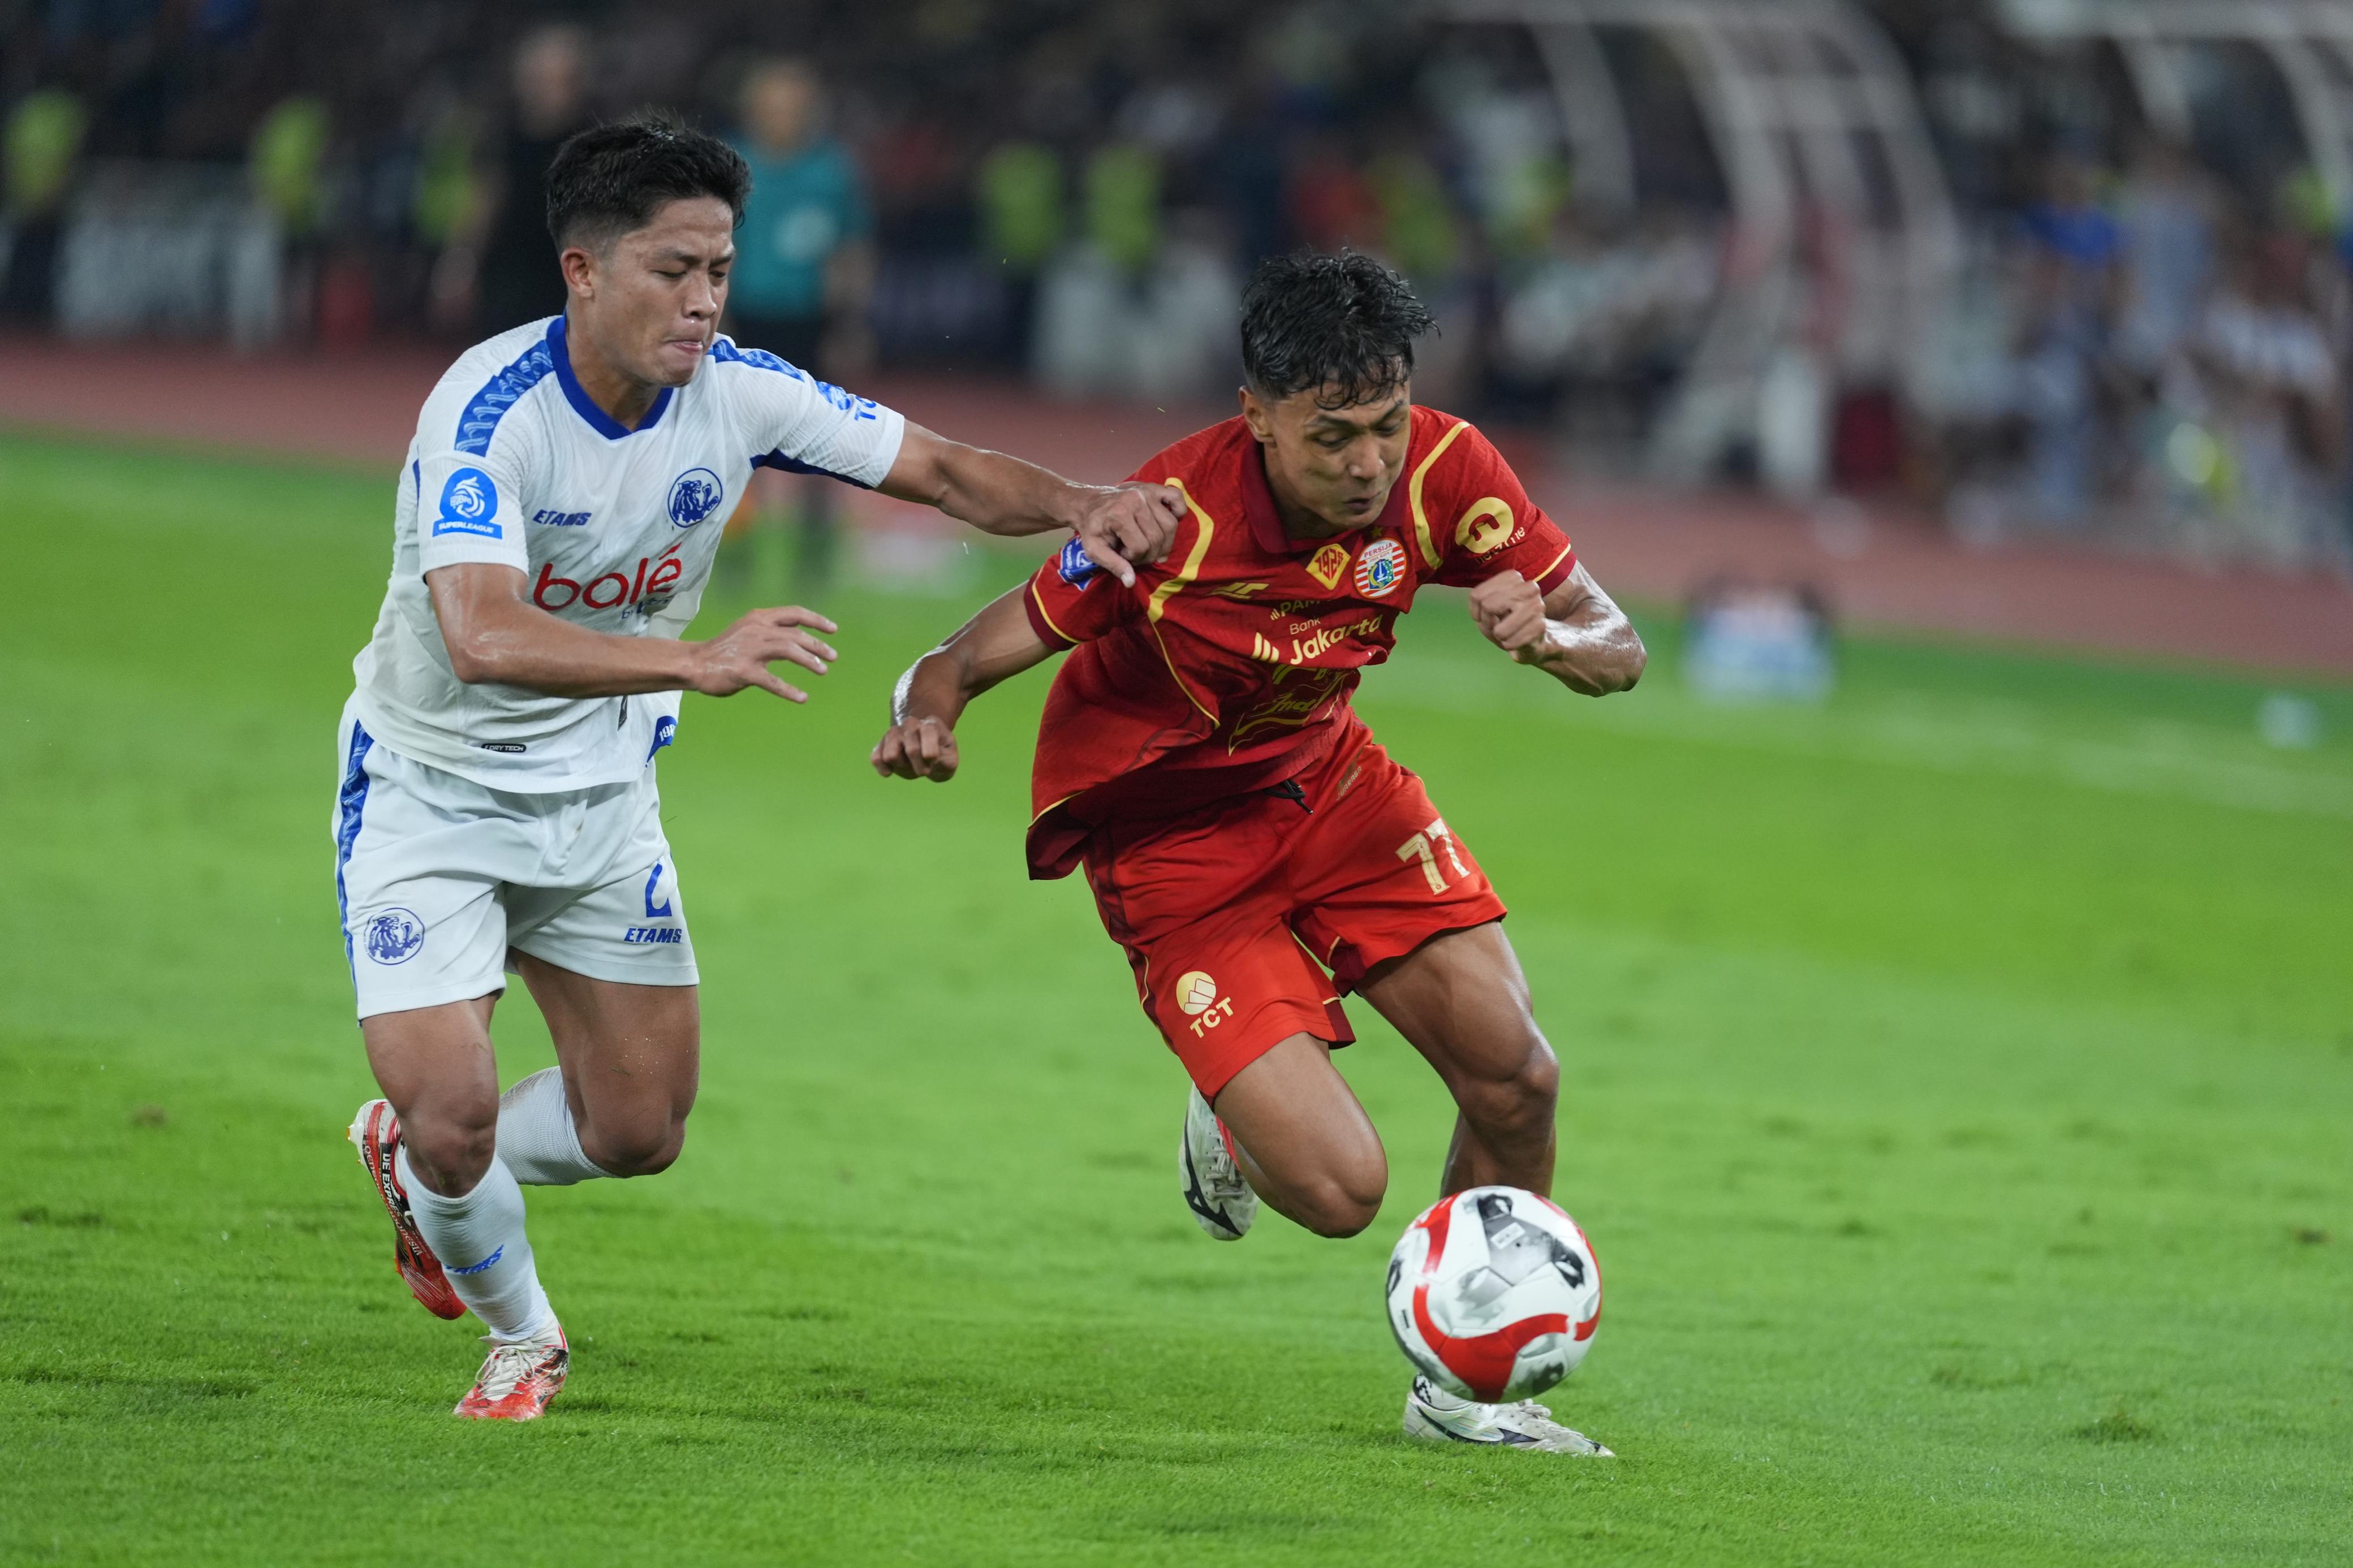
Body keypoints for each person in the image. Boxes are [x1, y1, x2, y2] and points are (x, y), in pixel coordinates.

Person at [339, 113, 1180, 1421]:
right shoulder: (490, 412)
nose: (704, 301)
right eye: (673, 270)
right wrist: (694, 659)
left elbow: (942, 470)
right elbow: (481, 633)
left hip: (600, 803)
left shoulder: (739, 392)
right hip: (433, 791)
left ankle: (412, 1162)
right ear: (582, 272)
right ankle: (522, 1337)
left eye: (719, 271)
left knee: (640, 1132)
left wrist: (1082, 503)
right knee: (457, 1112)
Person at [872, 252, 1645, 1453]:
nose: (1368, 463)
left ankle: (1464, 1397)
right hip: (1171, 842)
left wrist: (1551, 639)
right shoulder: (1167, 520)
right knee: (1341, 1194)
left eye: (1386, 425)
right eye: (1332, 436)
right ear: (1258, 418)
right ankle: (1230, 1100)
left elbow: (1618, 643)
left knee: (1517, 1075)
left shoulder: (1448, 471)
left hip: (1333, 789)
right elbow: (960, 657)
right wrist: (924, 716)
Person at [725, 58, 874, 590]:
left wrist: (848, 323)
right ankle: (731, 554)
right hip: (745, 317)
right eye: (772, 108)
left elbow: (851, 250)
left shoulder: (831, 172)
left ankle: (814, 559)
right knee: (734, 445)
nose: (782, 118)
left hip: (810, 318)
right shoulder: (729, 165)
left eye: (792, 108)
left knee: (821, 443)